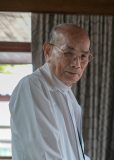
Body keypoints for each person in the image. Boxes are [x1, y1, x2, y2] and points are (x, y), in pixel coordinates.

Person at [9, 23, 92, 160]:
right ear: (48, 51)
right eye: (68, 53)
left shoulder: (67, 93)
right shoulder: (33, 87)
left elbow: (76, 154)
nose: (77, 64)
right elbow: (45, 155)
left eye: (83, 56)